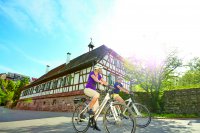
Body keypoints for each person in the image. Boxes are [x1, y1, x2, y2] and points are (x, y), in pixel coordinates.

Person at [83, 64, 108, 131]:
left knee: (96, 109)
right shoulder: (92, 73)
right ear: (97, 69)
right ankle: (89, 109)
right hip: (87, 89)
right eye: (101, 69)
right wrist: (100, 82)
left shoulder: (100, 76)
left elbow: (104, 81)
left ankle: (93, 123)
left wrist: (108, 84)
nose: (101, 70)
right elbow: (95, 79)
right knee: (97, 94)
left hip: (93, 92)